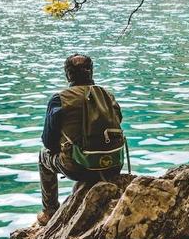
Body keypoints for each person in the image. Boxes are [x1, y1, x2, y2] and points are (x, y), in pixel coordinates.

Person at [37, 54, 124, 225]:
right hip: (113, 165)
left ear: (68, 75)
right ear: (91, 72)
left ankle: (50, 211)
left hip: (78, 168)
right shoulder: (108, 95)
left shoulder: (59, 99)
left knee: (43, 156)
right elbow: (118, 121)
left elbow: (48, 141)